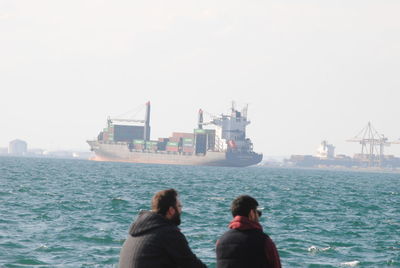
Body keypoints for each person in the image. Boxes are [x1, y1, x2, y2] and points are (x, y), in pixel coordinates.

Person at [119, 188, 207, 268]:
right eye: (179, 206)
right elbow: (191, 264)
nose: (181, 210)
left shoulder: (136, 232)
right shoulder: (168, 233)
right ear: (171, 210)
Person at [216, 195, 281, 268]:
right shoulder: (264, 241)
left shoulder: (220, 242)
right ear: (252, 213)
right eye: (257, 213)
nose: (258, 217)